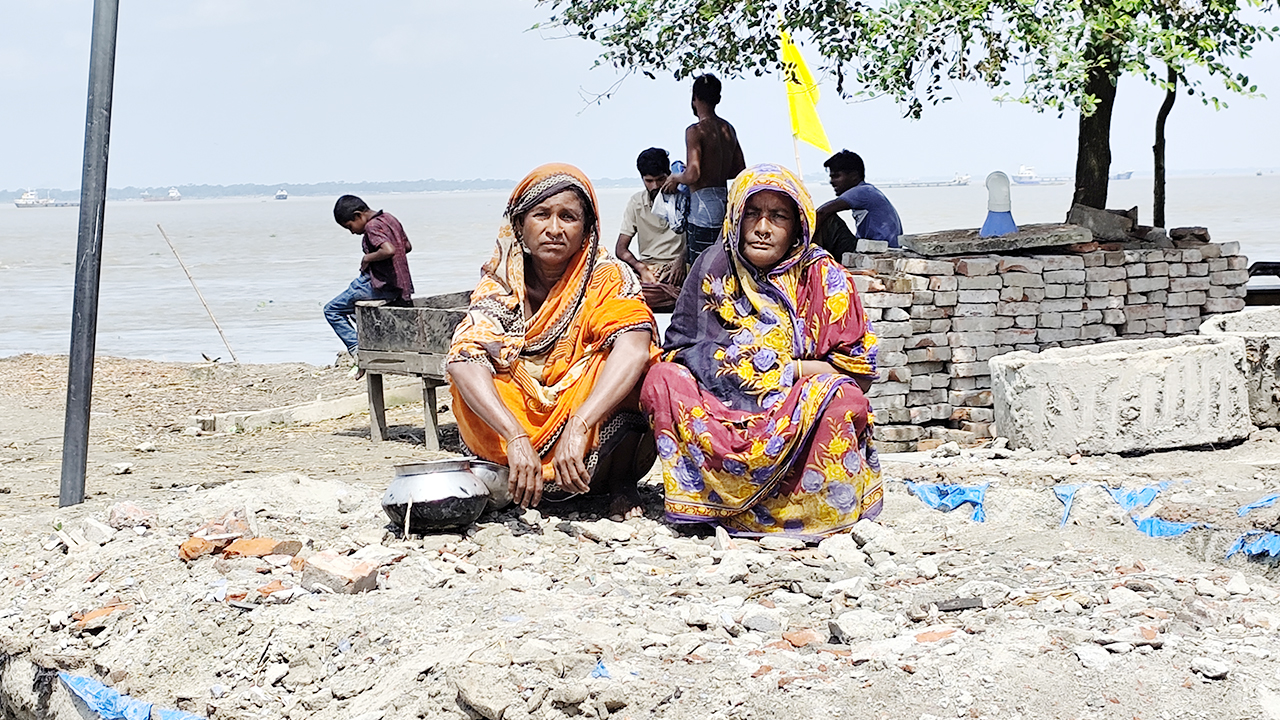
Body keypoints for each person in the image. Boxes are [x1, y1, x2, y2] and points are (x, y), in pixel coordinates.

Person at [641, 164, 882, 537]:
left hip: (795, 415)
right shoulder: (712, 266)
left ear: (799, 225)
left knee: (843, 399)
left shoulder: (824, 276)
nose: (762, 227)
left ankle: (808, 509)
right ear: (735, 217)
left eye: (778, 216)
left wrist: (788, 376)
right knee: (661, 380)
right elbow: (679, 350)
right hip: (718, 411)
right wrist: (793, 369)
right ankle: (708, 505)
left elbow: (855, 371)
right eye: (752, 213)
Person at [447, 163, 660, 519]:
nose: (554, 229)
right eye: (541, 215)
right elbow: (465, 355)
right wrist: (514, 436)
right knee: (468, 372)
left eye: (568, 217)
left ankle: (620, 483)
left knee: (642, 367)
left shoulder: (607, 276)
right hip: (523, 426)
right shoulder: (501, 282)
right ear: (519, 225)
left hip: (588, 421)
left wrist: (579, 424)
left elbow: (635, 345)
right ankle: (524, 479)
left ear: (587, 228)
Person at [662, 74, 746, 266]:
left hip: (702, 208)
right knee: (721, 264)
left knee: (701, 267)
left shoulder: (695, 131)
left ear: (695, 98)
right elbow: (739, 169)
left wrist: (676, 177)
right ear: (718, 98)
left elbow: (693, 174)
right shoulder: (728, 129)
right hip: (723, 203)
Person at [324, 195, 415, 362]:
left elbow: (388, 250)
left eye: (349, 227)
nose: (352, 232)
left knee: (332, 310)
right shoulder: (389, 218)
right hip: (400, 285)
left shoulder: (372, 226)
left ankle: (356, 347)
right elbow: (407, 246)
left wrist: (367, 258)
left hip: (380, 285)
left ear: (358, 215)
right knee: (353, 295)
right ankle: (369, 336)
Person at [615, 148, 687, 312]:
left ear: (669, 175)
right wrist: (642, 269)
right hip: (649, 271)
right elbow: (621, 249)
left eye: (660, 179)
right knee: (612, 281)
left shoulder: (685, 199)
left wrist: (682, 259)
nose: (655, 186)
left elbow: (699, 238)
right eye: (649, 181)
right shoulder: (636, 203)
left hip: (677, 269)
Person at [815, 150, 904, 248]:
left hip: (880, 249)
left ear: (854, 176)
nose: (831, 182)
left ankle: (805, 253)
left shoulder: (861, 192)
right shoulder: (869, 190)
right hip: (880, 246)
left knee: (829, 220)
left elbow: (822, 212)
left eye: (836, 176)